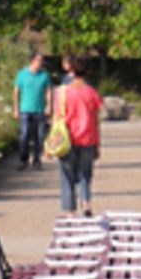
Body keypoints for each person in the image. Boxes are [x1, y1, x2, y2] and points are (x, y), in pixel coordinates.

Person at [54, 54, 103, 216]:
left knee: (66, 175)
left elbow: (57, 119)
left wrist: (51, 144)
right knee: (85, 174)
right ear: (88, 71)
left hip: (67, 139)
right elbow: (96, 120)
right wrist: (97, 143)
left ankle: (70, 211)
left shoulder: (61, 92)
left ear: (71, 70)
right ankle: (86, 202)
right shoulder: (91, 93)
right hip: (88, 138)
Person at [13, 50, 52, 168]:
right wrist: (16, 108)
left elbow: (48, 91)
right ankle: (23, 159)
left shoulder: (44, 75)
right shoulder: (22, 74)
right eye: (38, 61)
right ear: (32, 61)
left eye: (42, 61)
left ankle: (36, 160)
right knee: (24, 135)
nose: (40, 63)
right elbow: (16, 92)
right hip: (25, 109)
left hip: (39, 109)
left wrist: (49, 106)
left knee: (39, 136)